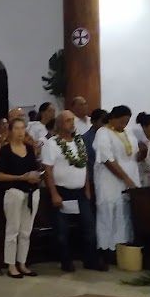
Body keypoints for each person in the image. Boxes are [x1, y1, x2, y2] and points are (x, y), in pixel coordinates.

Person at [42, 110, 105, 272]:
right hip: (62, 192)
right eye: (68, 121)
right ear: (60, 124)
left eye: (72, 120)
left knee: (89, 227)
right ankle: (66, 261)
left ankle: (90, 260)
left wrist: (88, 189)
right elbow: (48, 171)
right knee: (62, 231)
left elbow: (83, 166)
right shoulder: (52, 143)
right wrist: (54, 193)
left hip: (80, 192)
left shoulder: (79, 141)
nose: (72, 123)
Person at [93, 105, 139, 262]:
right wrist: (125, 177)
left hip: (129, 178)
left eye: (127, 122)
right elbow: (107, 159)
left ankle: (121, 245)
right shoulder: (103, 133)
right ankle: (105, 249)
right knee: (108, 212)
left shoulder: (128, 132)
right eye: (121, 121)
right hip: (109, 179)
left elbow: (133, 155)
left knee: (123, 213)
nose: (124, 125)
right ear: (112, 118)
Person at [0, 118, 41, 278]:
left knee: (26, 231)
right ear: (10, 131)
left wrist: (35, 177)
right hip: (14, 192)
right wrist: (21, 177)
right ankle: (11, 264)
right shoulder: (6, 150)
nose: (21, 132)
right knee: (13, 230)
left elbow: (34, 169)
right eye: (17, 128)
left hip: (31, 192)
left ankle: (22, 262)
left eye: (23, 128)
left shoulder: (29, 148)